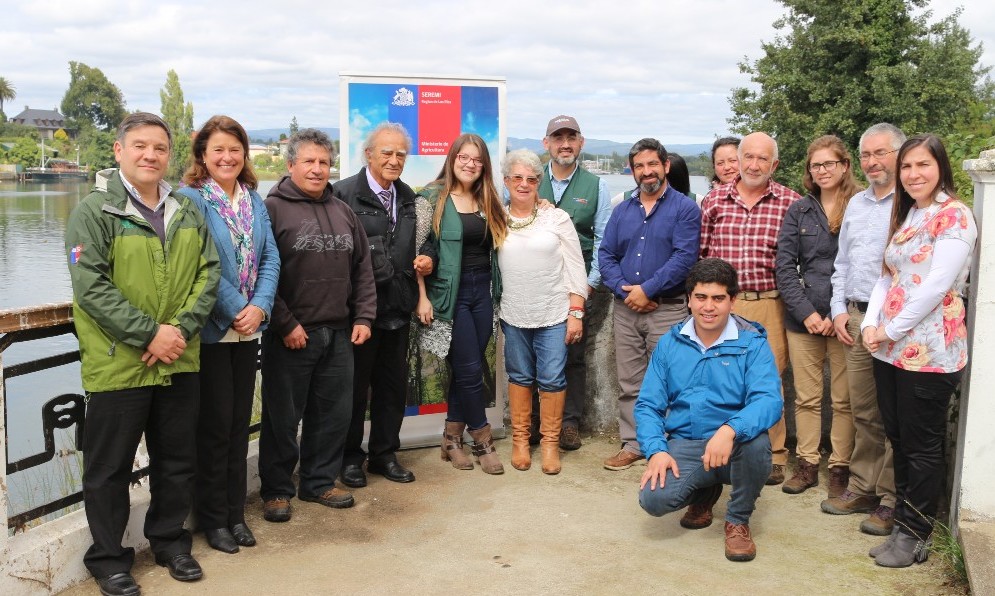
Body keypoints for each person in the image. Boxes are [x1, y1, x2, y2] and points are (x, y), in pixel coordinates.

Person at [65, 112, 219, 595]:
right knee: (109, 468)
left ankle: (171, 542)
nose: (150, 155)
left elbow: (209, 273)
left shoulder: (187, 210)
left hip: (179, 357)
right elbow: (92, 288)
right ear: (118, 151)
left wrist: (178, 331)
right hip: (119, 361)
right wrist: (149, 334)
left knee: (177, 459)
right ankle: (109, 557)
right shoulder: (93, 213)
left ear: (169, 155)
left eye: (159, 148)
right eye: (139, 146)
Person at [861, 134, 976, 568]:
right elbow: (887, 277)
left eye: (922, 165)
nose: (913, 174)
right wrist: (872, 324)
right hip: (890, 349)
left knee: (922, 445)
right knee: (900, 439)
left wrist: (889, 328)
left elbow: (935, 287)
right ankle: (903, 525)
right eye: (907, 167)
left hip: (930, 351)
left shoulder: (955, 217)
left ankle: (917, 533)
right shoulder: (910, 214)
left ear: (940, 167)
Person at [258, 128, 376, 522]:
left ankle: (318, 482)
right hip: (291, 335)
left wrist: (363, 315)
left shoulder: (342, 210)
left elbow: (362, 268)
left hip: (339, 333)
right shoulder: (271, 209)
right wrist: (285, 323)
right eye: (309, 161)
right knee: (282, 418)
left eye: (324, 162)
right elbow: (260, 274)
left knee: (333, 414)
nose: (317, 169)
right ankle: (276, 490)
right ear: (291, 165)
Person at [178, 116, 280, 554]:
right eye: (218, 149)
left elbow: (271, 255)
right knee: (215, 428)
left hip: (248, 330)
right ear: (203, 155)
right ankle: (213, 519)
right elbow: (202, 265)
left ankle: (235, 514)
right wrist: (240, 309)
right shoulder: (190, 200)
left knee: (240, 427)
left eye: (234, 149)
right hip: (214, 332)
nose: (227, 157)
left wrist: (260, 306)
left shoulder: (254, 200)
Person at [636, 258, 781, 562]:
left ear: (733, 301)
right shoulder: (669, 344)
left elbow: (769, 400)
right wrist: (656, 451)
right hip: (686, 443)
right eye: (701, 297)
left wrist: (730, 430)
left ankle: (738, 520)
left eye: (718, 298)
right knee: (653, 500)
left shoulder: (751, 344)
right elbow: (648, 405)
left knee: (757, 444)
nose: (709, 307)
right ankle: (704, 491)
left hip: (734, 446)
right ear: (689, 300)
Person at [699, 131, 801, 485]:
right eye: (748, 157)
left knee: (767, 380)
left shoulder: (791, 202)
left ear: (774, 165)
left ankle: (773, 455)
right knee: (719, 377)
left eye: (763, 159)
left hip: (769, 302)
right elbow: (702, 255)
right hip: (722, 305)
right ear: (738, 160)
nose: (754, 165)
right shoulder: (713, 201)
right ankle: (720, 448)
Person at [822, 123, 906, 536]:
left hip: (896, 325)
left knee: (893, 414)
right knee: (862, 411)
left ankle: (891, 498)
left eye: (882, 153)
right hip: (855, 319)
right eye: (867, 155)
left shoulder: (913, 205)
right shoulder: (856, 204)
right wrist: (838, 309)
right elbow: (842, 265)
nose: (873, 162)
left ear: (900, 155)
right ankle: (862, 487)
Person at [599, 138, 701, 471]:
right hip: (626, 309)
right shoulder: (622, 210)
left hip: (668, 308)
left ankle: (670, 447)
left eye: (652, 164)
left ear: (666, 166)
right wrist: (626, 291)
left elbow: (684, 257)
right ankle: (634, 443)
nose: (647, 172)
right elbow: (607, 255)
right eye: (639, 166)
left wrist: (648, 289)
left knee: (671, 379)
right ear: (632, 170)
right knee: (630, 381)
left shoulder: (685, 208)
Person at [332, 122, 425, 488]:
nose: (394, 159)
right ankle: (350, 458)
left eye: (401, 153)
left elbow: (422, 242)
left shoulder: (408, 197)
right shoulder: (342, 195)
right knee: (354, 390)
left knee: (391, 388)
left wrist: (427, 258)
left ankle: (384, 454)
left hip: (398, 309)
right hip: (359, 315)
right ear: (368, 154)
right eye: (386, 152)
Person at [415, 133, 508, 474]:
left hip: (482, 293)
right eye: (464, 157)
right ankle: (483, 440)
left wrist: (541, 203)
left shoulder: (489, 199)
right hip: (447, 296)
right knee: (470, 369)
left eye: (477, 159)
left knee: (467, 367)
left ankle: (451, 439)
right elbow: (417, 251)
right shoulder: (431, 198)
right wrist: (422, 297)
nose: (470, 164)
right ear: (452, 159)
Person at [775, 135, 861, 496]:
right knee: (807, 398)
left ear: (844, 165)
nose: (822, 170)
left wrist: (836, 312)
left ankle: (840, 466)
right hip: (804, 319)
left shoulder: (862, 206)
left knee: (845, 400)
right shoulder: (799, 209)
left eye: (829, 163)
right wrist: (807, 312)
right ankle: (807, 463)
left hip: (847, 319)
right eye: (816, 165)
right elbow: (784, 266)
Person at [499, 149, 587, 474]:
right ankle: (521, 440)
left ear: (539, 183)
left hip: (553, 313)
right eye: (517, 178)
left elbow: (576, 267)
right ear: (506, 181)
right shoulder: (496, 217)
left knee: (552, 378)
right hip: (513, 314)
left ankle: (549, 444)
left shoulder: (556, 217)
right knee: (520, 376)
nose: (524, 184)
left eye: (531, 179)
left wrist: (575, 312)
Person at [529, 115, 612, 451]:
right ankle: (535, 422)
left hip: (577, 288)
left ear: (581, 142)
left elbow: (604, 240)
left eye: (571, 137)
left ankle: (569, 423)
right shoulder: (529, 180)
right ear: (546, 143)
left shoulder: (597, 186)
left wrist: (587, 287)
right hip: (535, 285)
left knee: (573, 357)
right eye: (557, 137)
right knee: (535, 355)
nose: (565, 144)